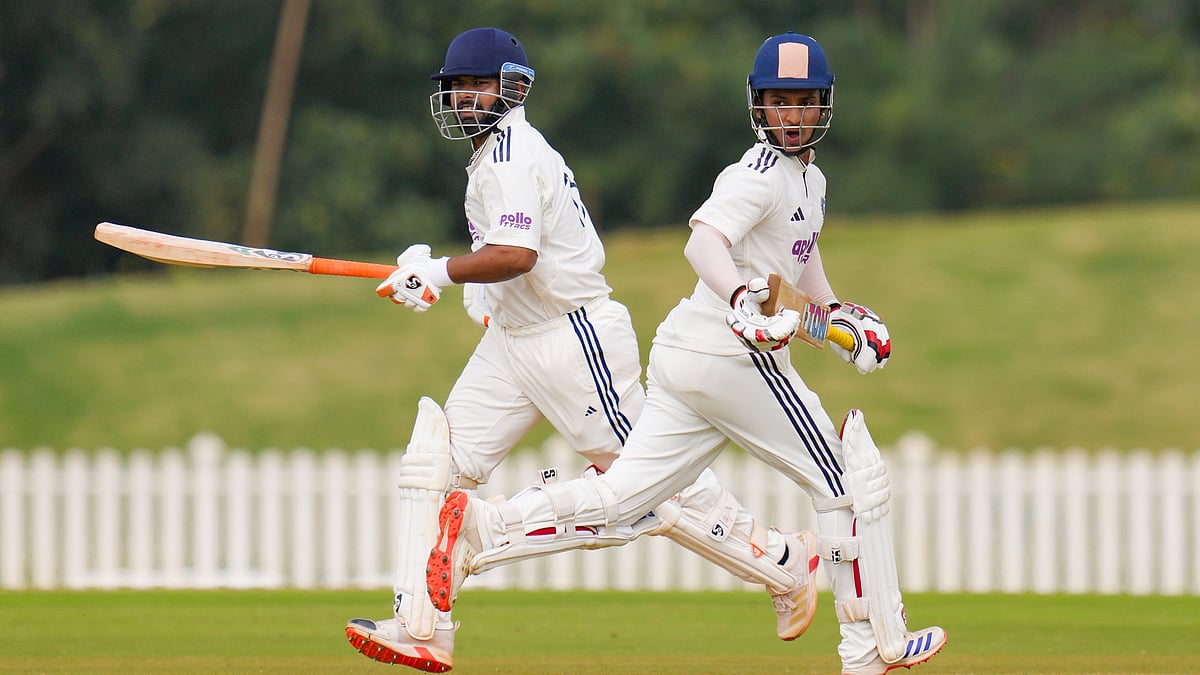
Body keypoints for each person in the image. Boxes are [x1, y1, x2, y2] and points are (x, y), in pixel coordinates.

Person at [424, 32, 947, 675]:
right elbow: (703, 243)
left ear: (824, 105)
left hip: (684, 354)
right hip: (732, 358)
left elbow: (798, 270)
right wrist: (739, 299)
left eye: (804, 101)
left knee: (624, 500)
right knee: (845, 482)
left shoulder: (810, 183)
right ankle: (873, 650)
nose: (792, 115)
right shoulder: (757, 175)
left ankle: (483, 530)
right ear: (759, 106)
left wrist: (838, 319)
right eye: (779, 102)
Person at [344, 27, 822, 673]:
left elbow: (518, 254)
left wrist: (439, 271)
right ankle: (423, 626)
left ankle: (783, 564)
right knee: (435, 466)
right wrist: (471, 292)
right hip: (513, 343)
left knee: (650, 489)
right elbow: (511, 260)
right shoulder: (493, 155)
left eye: (478, 85)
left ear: (513, 88)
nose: (464, 98)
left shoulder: (513, 153)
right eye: (457, 87)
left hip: (575, 338)